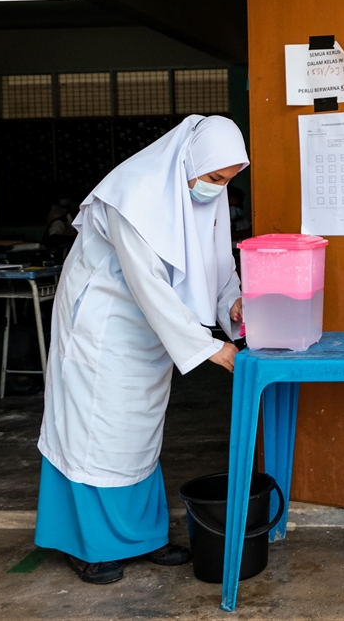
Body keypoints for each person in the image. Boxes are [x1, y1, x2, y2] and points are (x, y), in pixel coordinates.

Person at [35, 115, 248, 585]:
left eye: (230, 180)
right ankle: (88, 546)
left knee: (138, 432)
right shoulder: (130, 196)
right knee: (96, 433)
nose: (219, 188)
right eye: (215, 178)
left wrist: (231, 301)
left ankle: (144, 537)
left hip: (150, 331)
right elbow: (147, 284)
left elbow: (216, 262)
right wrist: (210, 347)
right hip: (102, 327)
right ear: (189, 161)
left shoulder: (204, 193)